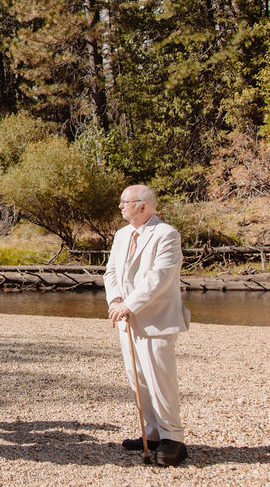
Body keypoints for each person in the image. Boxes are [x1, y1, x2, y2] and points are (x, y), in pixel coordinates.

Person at [104, 185, 190, 467]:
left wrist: (130, 304)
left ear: (143, 206)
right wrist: (116, 300)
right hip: (126, 319)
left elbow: (160, 277)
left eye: (124, 202)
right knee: (138, 379)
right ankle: (151, 433)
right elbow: (112, 270)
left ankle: (173, 438)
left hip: (156, 319)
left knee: (159, 379)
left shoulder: (166, 234)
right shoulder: (121, 235)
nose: (120, 207)